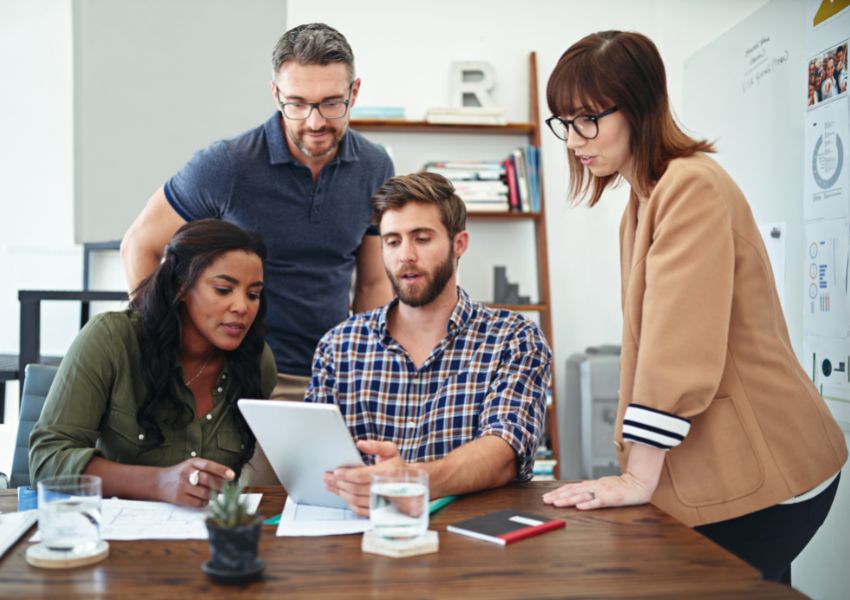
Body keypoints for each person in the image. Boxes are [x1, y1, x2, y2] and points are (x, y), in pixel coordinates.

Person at [541, 31, 847, 584]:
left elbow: (676, 348)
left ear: (638, 106)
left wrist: (637, 480)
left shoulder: (690, 187)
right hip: (731, 463)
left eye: (588, 118)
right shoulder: (644, 200)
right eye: (565, 121)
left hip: (768, 461)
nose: (573, 140)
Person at [120, 23, 394, 404]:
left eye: (331, 103)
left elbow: (371, 284)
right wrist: (167, 347)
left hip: (334, 375)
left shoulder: (375, 166)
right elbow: (139, 244)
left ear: (355, 91)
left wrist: (368, 364)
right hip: (239, 376)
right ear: (275, 94)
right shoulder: (227, 165)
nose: (315, 122)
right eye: (297, 104)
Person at [306, 172, 552, 516]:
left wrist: (413, 480)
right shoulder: (338, 346)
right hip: (359, 541)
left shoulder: (514, 339)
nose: (406, 255)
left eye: (421, 239)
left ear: (459, 244)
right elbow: (314, 461)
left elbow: (504, 453)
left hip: (472, 543)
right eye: (392, 241)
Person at [30, 219, 277, 507]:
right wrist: (158, 483)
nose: (242, 307)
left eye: (253, 294)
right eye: (224, 289)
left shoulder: (257, 362)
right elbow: (47, 458)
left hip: (214, 537)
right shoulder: (112, 340)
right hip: (115, 535)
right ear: (180, 287)